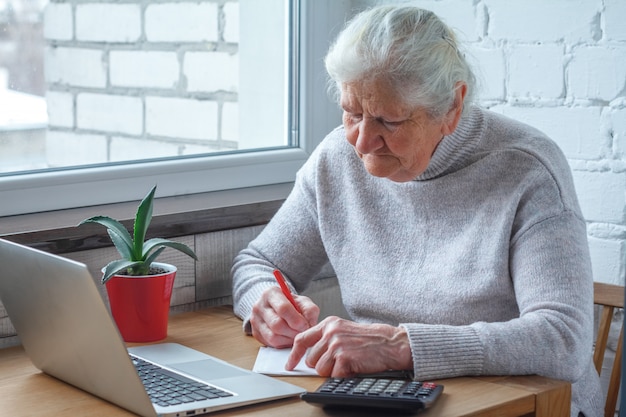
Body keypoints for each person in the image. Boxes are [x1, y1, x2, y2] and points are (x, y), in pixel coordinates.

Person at [231, 5, 603, 417]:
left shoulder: (526, 170)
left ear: (452, 108)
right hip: (389, 398)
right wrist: (264, 301)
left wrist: (398, 346)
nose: (362, 141)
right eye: (352, 112)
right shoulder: (337, 159)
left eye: (388, 121)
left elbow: (563, 339)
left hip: (520, 403)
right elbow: (258, 262)